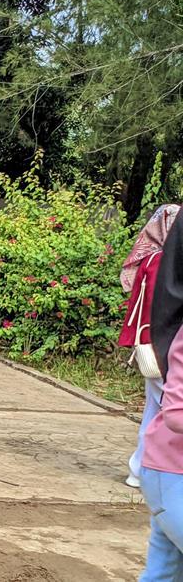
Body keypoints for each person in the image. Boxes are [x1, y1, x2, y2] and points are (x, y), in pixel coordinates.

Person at [118, 204, 180, 488]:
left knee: (154, 408)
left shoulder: (149, 259)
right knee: (165, 410)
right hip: (166, 346)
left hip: (151, 342)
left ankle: (139, 469)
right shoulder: (164, 262)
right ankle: (144, 469)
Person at [138, 211, 183, 580]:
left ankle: (137, 468)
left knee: (163, 571)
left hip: (156, 346)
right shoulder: (154, 262)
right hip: (172, 469)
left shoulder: (155, 260)